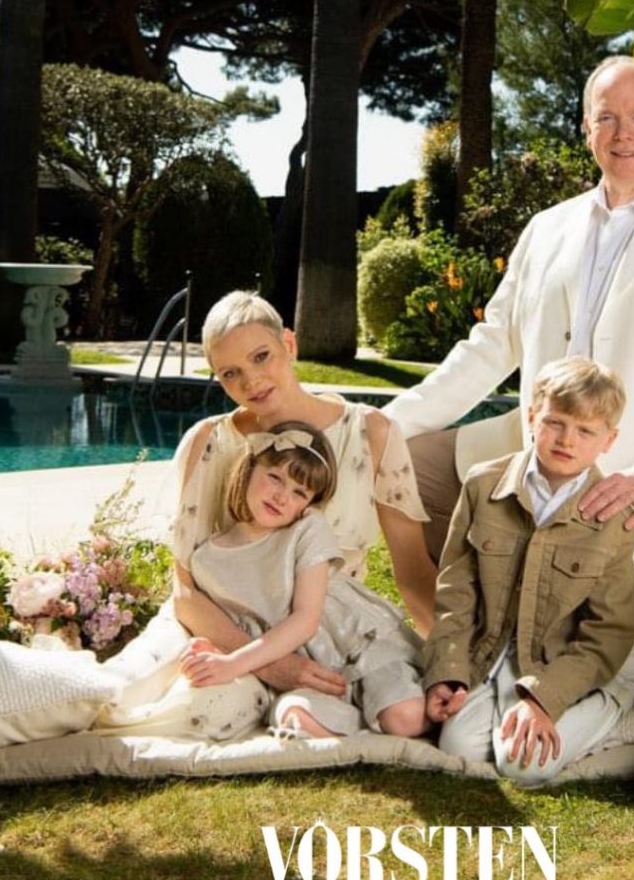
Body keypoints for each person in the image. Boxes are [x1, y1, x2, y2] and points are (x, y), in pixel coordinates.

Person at [386, 55, 634, 638]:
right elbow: (494, 343)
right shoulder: (548, 228)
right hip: (537, 469)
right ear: (587, 128)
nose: (624, 133)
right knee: (405, 462)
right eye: (607, 117)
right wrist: (388, 423)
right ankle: (455, 637)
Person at [172, 290, 438, 704]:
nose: (251, 382)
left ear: (289, 344)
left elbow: (413, 574)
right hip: (227, 639)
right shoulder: (208, 442)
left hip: (338, 638)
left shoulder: (371, 433)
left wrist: (449, 669)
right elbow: (184, 591)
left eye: (261, 357)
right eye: (230, 373)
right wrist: (270, 665)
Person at [424, 357, 634, 785]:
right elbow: (455, 593)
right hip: (490, 658)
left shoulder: (612, 515)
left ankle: (617, 700)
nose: (567, 440)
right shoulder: (483, 486)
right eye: (555, 423)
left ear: (609, 440)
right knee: (457, 749)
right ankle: (508, 714)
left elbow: (608, 631)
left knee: (523, 767)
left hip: (558, 666)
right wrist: (448, 670)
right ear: (532, 417)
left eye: (586, 431)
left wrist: (544, 701)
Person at [179, 422, 428, 739]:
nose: (282, 497)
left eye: (300, 492)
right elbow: (234, 625)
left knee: (405, 719)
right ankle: (360, 727)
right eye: (275, 478)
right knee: (292, 715)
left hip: (359, 645)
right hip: (307, 672)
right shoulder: (206, 562)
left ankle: (397, 711)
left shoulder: (307, 527)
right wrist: (212, 648)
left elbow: (306, 620)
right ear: (249, 467)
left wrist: (232, 664)